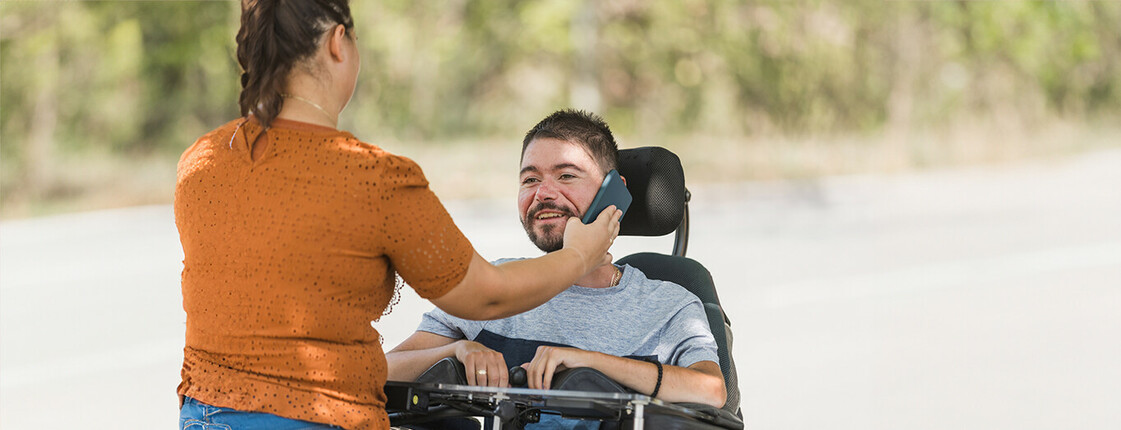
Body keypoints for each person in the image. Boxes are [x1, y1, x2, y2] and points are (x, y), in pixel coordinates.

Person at [174, 2, 620, 430]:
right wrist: (579, 256)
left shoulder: (203, 159)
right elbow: (487, 297)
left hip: (205, 415)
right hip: (321, 417)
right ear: (337, 43)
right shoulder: (373, 178)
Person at [385, 110, 727, 427]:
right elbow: (380, 370)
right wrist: (457, 349)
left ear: (616, 192)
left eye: (566, 175)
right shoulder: (493, 288)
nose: (544, 194)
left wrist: (591, 363)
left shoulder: (668, 304)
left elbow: (711, 391)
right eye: (530, 180)